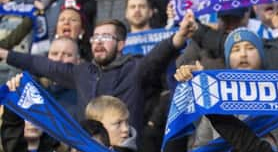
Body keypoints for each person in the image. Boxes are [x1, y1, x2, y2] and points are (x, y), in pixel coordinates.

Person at [0, 16, 197, 136]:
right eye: (96, 37)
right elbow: (43, 65)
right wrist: (5, 54)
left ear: (120, 45)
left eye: (106, 37)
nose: (99, 42)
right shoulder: (82, 71)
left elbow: (157, 56)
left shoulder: (135, 68)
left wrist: (178, 37)